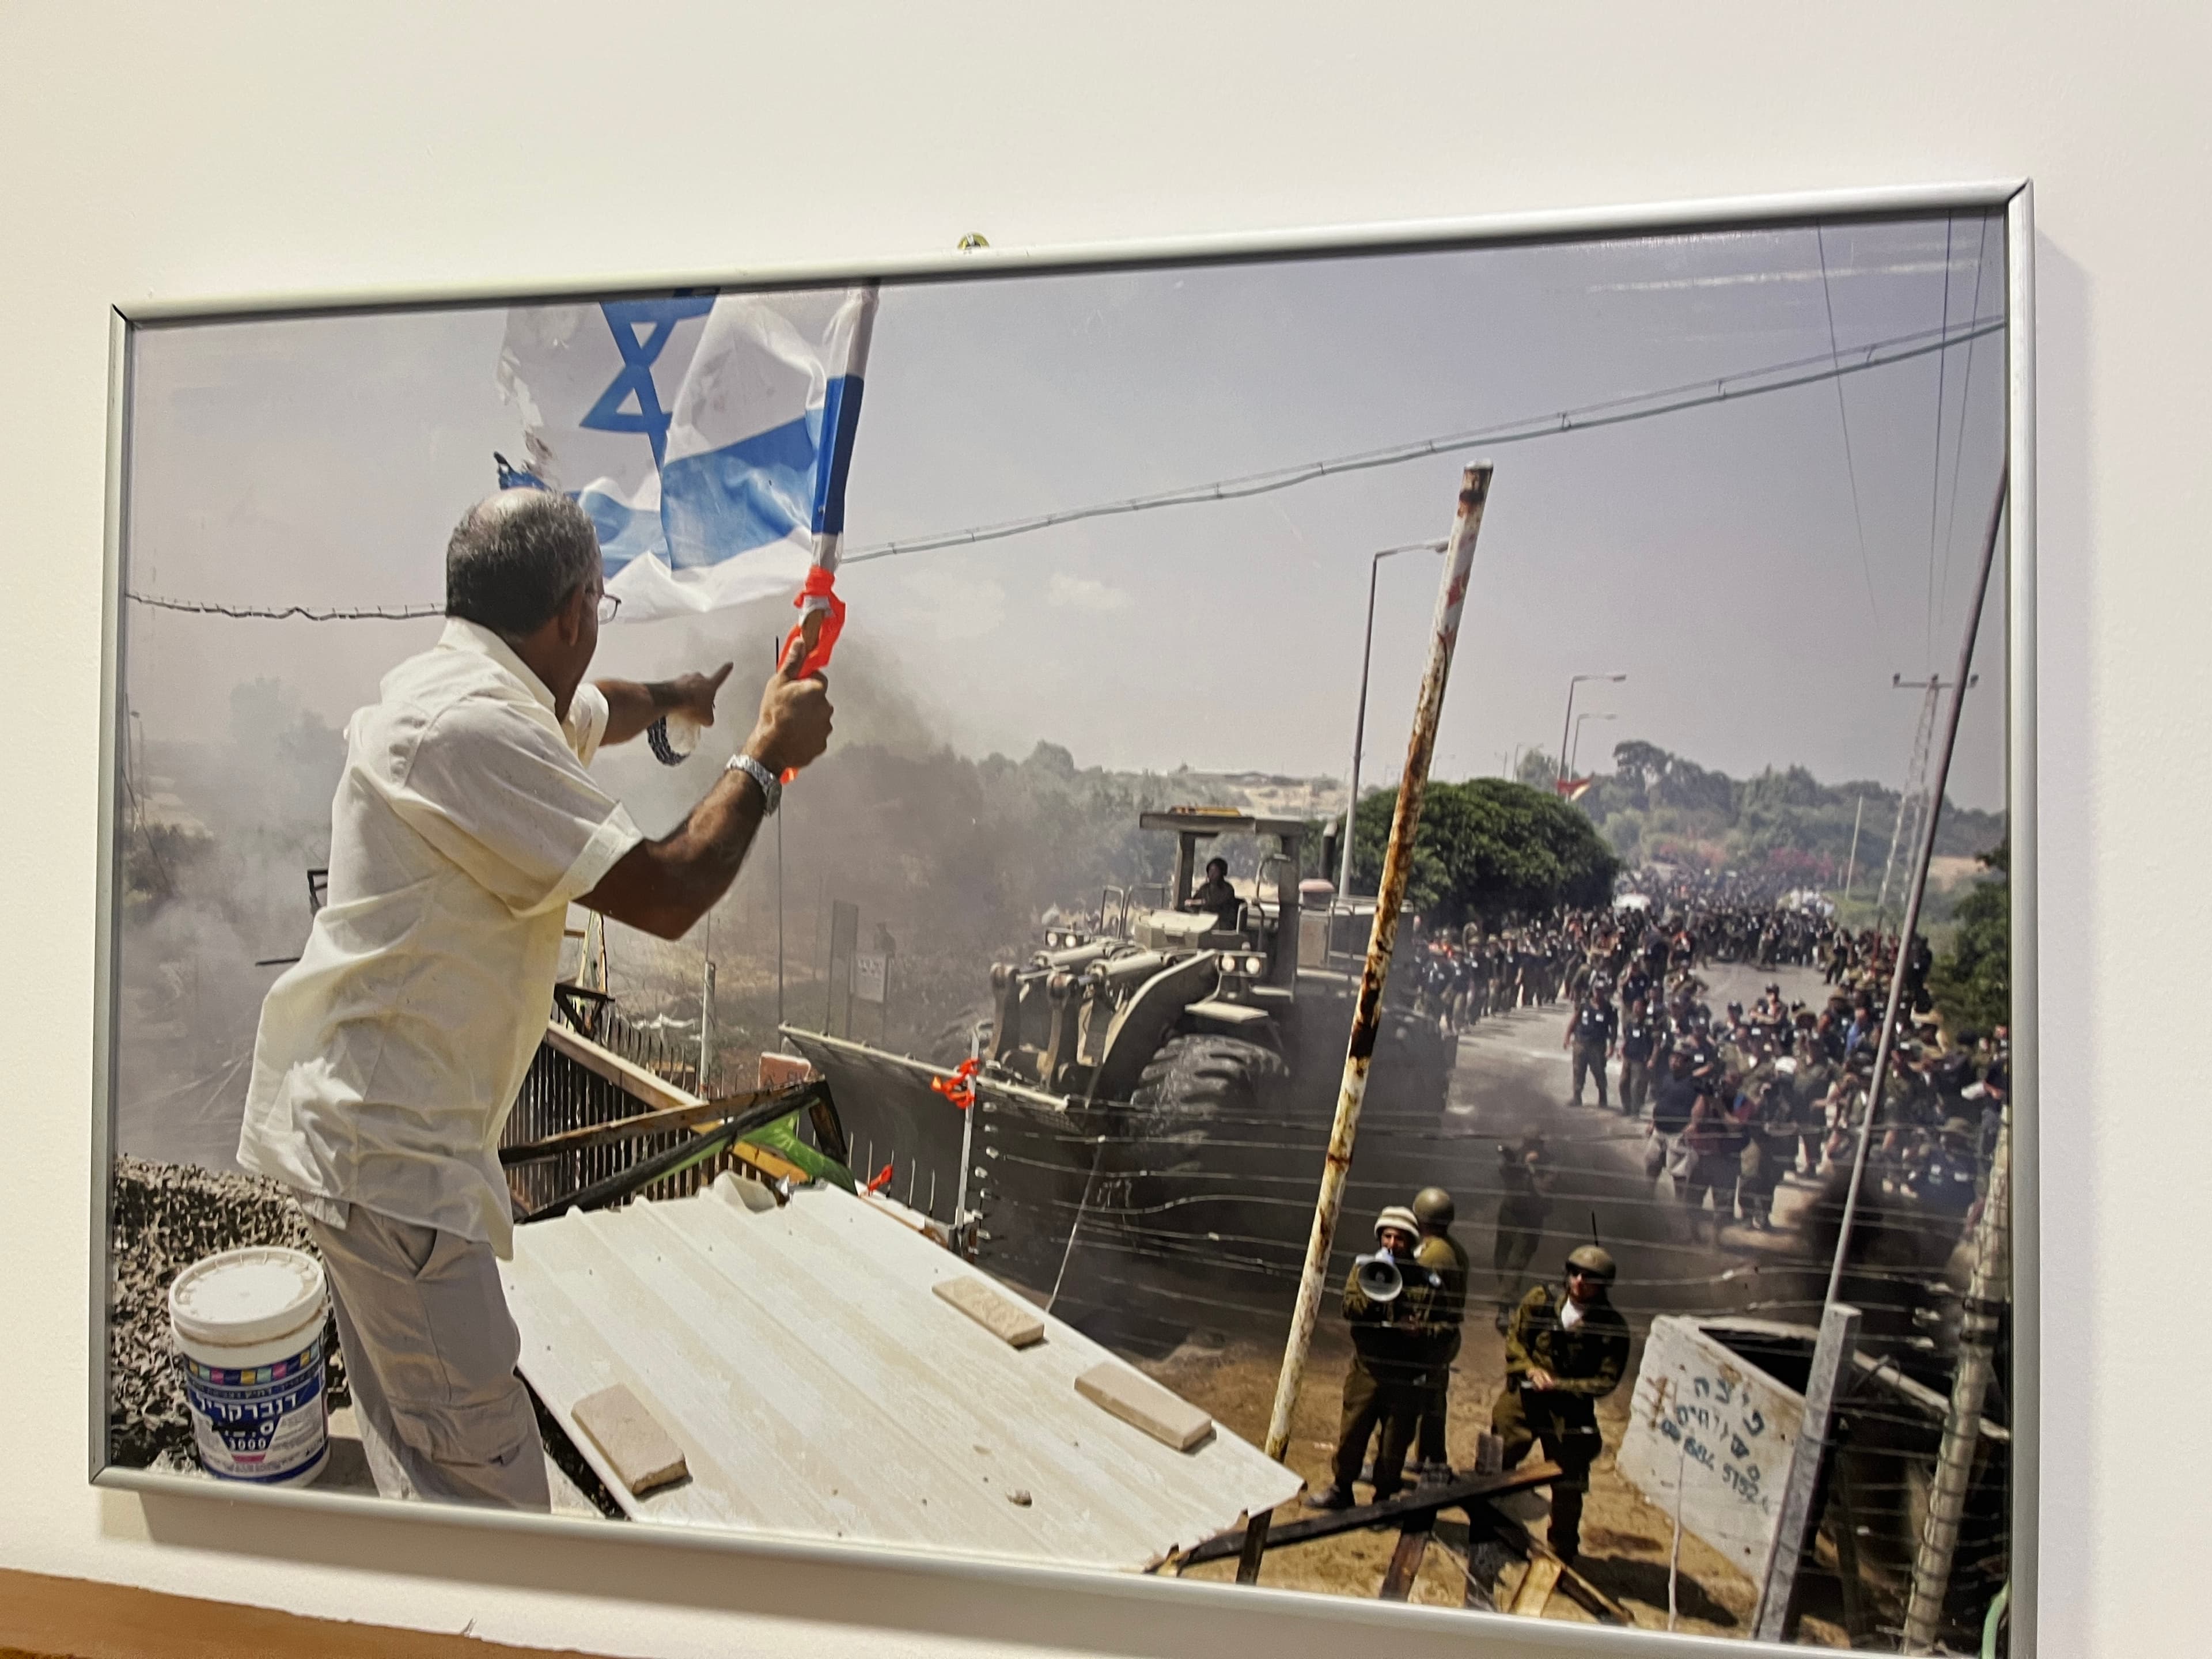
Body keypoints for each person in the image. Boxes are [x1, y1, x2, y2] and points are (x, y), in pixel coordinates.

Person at [236, 491, 834, 1510]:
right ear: (568, 613)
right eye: (596, 601)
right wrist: (766, 757)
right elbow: (671, 888)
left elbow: (593, 706)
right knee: (493, 1501)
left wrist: (680, 695)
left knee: (418, 1451)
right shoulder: (472, 732)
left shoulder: (466, 685)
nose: (597, 623)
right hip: (396, 1172)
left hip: (362, 1148)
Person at [1490, 1244, 1631, 1564]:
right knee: (1498, 1458)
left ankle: (1562, 1549)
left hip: (1570, 1409)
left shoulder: (1611, 1328)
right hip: (1525, 1397)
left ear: (1603, 1286)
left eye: (1590, 1278)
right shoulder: (1541, 1300)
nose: (1580, 1281)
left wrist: (1561, 1386)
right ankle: (1491, 1521)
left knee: (1569, 1481)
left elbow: (1605, 1381)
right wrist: (1530, 1368)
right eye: (1575, 1273)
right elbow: (1515, 1338)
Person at [1309, 1206, 1440, 1509]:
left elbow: (1445, 1329)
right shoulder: (1363, 1269)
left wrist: (1421, 1332)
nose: (1392, 1245)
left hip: (1405, 1375)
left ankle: (1384, 1497)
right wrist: (1374, 1285)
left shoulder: (1426, 1281)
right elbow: (1350, 1308)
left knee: (1395, 1441)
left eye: (1400, 1239)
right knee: (1352, 1432)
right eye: (1387, 1237)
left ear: (1411, 1243)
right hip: (1367, 1369)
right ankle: (1342, 1488)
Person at [1411, 1186, 1469, 1479]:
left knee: (1426, 1400)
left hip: (1431, 1338)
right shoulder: (1454, 1249)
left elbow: (1421, 1302)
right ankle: (1427, 1458)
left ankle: (1434, 1461)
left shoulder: (1433, 1255)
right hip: (1446, 1335)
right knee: (1433, 1397)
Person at [1493, 1132, 1555, 1331]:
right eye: (1528, 1143)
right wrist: (1511, 1161)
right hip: (1509, 1215)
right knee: (1501, 1259)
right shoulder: (1519, 1155)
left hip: (1530, 1220)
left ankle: (1505, 1309)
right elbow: (1505, 1172)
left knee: (1515, 1263)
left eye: (1534, 1144)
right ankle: (1508, 1296)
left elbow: (1545, 1190)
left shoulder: (1550, 1165)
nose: (1530, 1148)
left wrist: (1532, 1169)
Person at [1565, 985, 1618, 1108]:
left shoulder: (1609, 1009)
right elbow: (1574, 1020)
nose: (1598, 993)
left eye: (1601, 991)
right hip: (1581, 1043)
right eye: (1596, 990)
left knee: (1599, 1072)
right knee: (1578, 1070)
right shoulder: (1585, 1005)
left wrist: (1612, 1046)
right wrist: (1567, 1037)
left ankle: (1603, 1097)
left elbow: (1614, 1029)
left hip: (1598, 1046)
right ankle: (1577, 1097)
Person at [1618, 995, 1659, 1119]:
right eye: (1635, 1006)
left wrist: (1653, 1059)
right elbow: (1627, 1036)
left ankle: (1635, 1111)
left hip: (1641, 1059)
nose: (1636, 1009)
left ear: (1645, 1008)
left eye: (1638, 1006)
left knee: (1636, 1086)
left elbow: (1657, 1043)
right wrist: (1621, 1049)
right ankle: (1626, 1107)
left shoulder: (1651, 1024)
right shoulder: (1630, 1020)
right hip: (1628, 1056)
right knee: (1623, 1083)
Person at [1186, 855, 1240, 929]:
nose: (1212, 874)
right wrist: (1189, 904)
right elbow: (1194, 901)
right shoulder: (1205, 888)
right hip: (1205, 919)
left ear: (1222, 872)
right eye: (1210, 871)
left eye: (1215, 871)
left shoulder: (1227, 888)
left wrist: (1199, 902)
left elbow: (1214, 902)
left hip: (1222, 921)